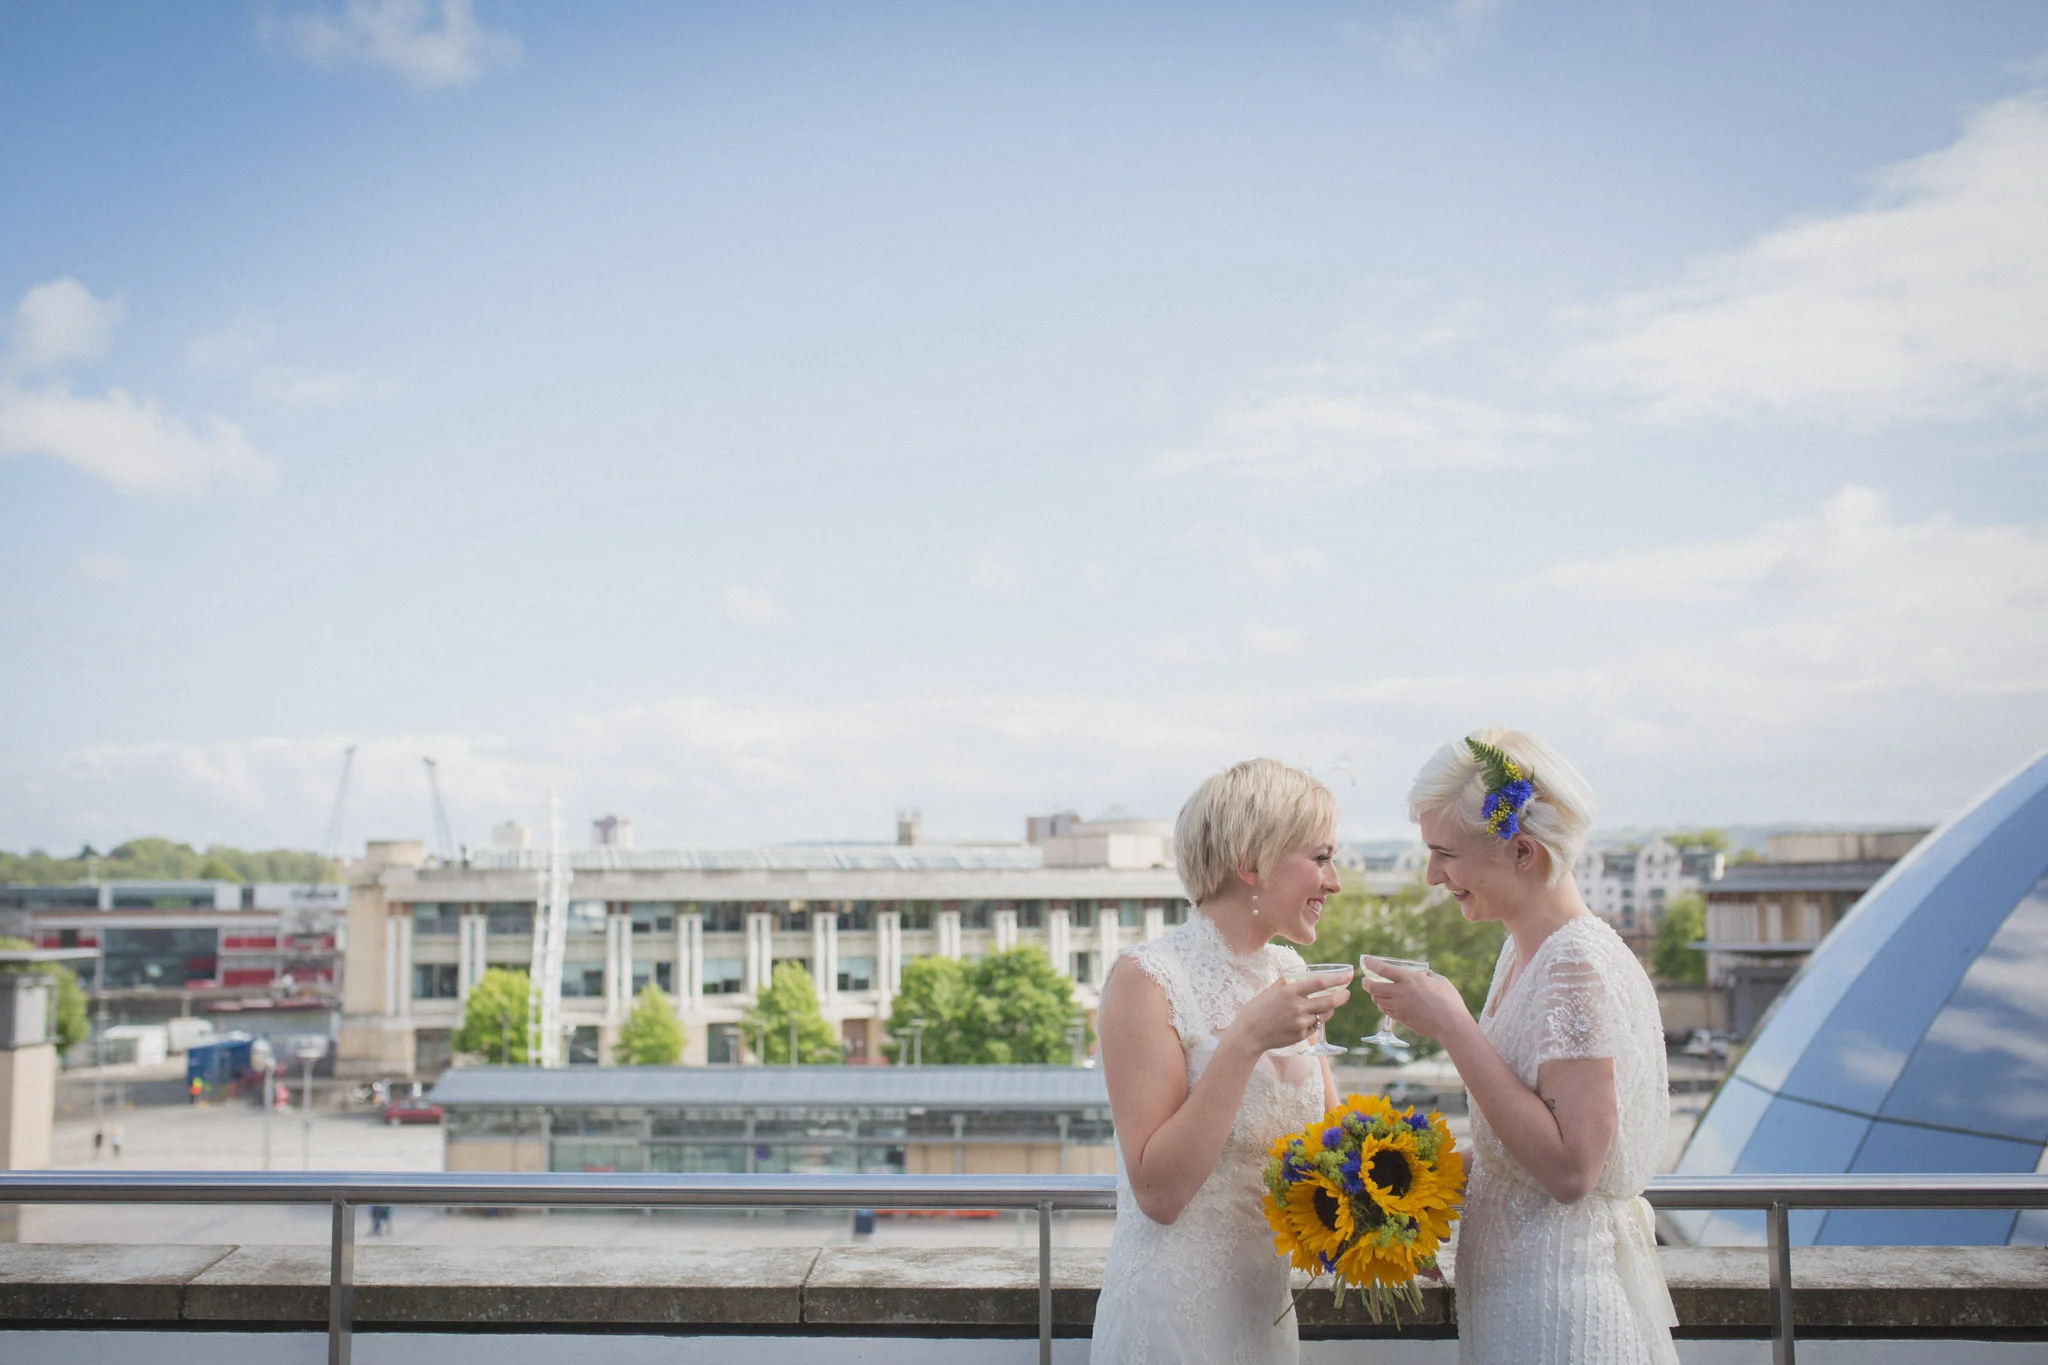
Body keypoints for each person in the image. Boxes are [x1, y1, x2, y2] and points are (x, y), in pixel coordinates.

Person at [1362, 730, 1677, 1365]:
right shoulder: (1525, 949)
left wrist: (1454, 1029)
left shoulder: (1576, 963)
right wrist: (1408, 1196)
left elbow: (1570, 1170)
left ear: (1523, 852)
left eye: (1444, 853)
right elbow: (1519, 1136)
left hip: (1563, 1315)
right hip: (1520, 1297)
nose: (1432, 875)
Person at [1090, 758, 1349, 1364]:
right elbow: (1158, 1193)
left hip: (1265, 1314)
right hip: (1173, 1316)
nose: (1334, 882)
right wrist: (1244, 1041)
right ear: (1251, 862)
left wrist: (1403, 1200)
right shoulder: (1146, 978)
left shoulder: (1289, 973)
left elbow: (1332, 1147)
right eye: (1320, 857)